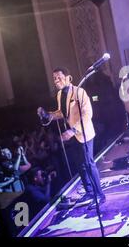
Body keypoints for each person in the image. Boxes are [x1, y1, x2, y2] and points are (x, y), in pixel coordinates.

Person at [37, 67, 106, 205]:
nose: (56, 81)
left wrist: (73, 130)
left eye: (59, 77)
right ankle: (89, 192)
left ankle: (99, 195)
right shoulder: (59, 95)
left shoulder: (80, 92)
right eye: (54, 78)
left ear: (69, 78)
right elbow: (62, 112)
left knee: (88, 163)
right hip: (73, 135)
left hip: (84, 133)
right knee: (80, 165)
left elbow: (87, 114)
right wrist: (47, 115)